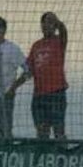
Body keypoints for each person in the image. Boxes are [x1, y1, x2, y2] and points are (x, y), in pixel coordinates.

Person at [19, 12, 69, 140]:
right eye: (44, 23)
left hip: (56, 93)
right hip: (39, 94)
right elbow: (29, 70)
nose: (47, 26)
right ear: (41, 26)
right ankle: (43, 154)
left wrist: (57, 21)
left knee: (58, 129)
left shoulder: (59, 41)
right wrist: (14, 87)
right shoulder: (36, 45)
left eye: (50, 23)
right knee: (41, 131)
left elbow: (63, 32)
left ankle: (62, 154)